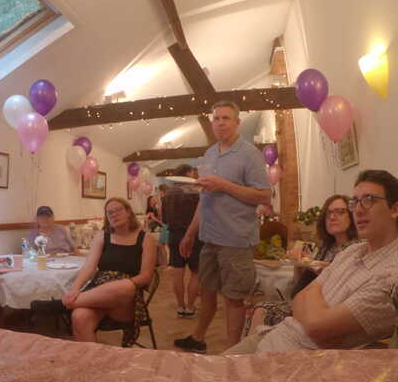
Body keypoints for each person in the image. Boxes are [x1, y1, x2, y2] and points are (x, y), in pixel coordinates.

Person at [225, 169, 398, 354]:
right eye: (355, 202)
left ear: (395, 209)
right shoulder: (352, 251)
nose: (358, 210)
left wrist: (311, 309)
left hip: (291, 357)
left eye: (369, 200)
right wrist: (313, 311)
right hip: (274, 335)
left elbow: (316, 326)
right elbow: (299, 296)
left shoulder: (395, 276)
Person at [174, 100, 271, 353]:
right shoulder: (210, 154)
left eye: (226, 118)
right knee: (206, 291)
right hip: (209, 238)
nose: (220, 123)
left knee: (234, 299)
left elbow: (264, 195)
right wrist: (190, 234)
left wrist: (224, 185)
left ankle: (232, 353)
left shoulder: (250, 154)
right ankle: (198, 338)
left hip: (236, 240)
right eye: (216, 118)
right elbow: (205, 198)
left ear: (237, 122)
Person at [248, 194, 358, 332]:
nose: (332, 217)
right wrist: (298, 265)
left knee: (263, 310)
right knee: (260, 309)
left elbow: (348, 285)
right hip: (307, 303)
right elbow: (299, 286)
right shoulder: (327, 247)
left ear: (352, 216)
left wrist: (325, 270)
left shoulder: (356, 248)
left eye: (340, 212)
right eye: (328, 213)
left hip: (329, 310)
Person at [61, 197, 157, 343]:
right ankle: (91, 358)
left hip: (124, 301)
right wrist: (75, 289)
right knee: (79, 317)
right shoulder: (102, 236)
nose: (114, 214)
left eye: (118, 210)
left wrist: (124, 284)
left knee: (125, 286)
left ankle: (60, 306)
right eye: (109, 212)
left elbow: (146, 276)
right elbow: (89, 268)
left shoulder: (146, 238)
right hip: (97, 294)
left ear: (128, 212)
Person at [161, 164, 202, 318]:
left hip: (174, 236)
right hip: (195, 236)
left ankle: (180, 307)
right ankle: (190, 308)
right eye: (192, 172)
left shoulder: (167, 194)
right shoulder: (197, 192)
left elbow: (164, 219)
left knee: (177, 273)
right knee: (196, 273)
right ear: (187, 173)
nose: (194, 175)